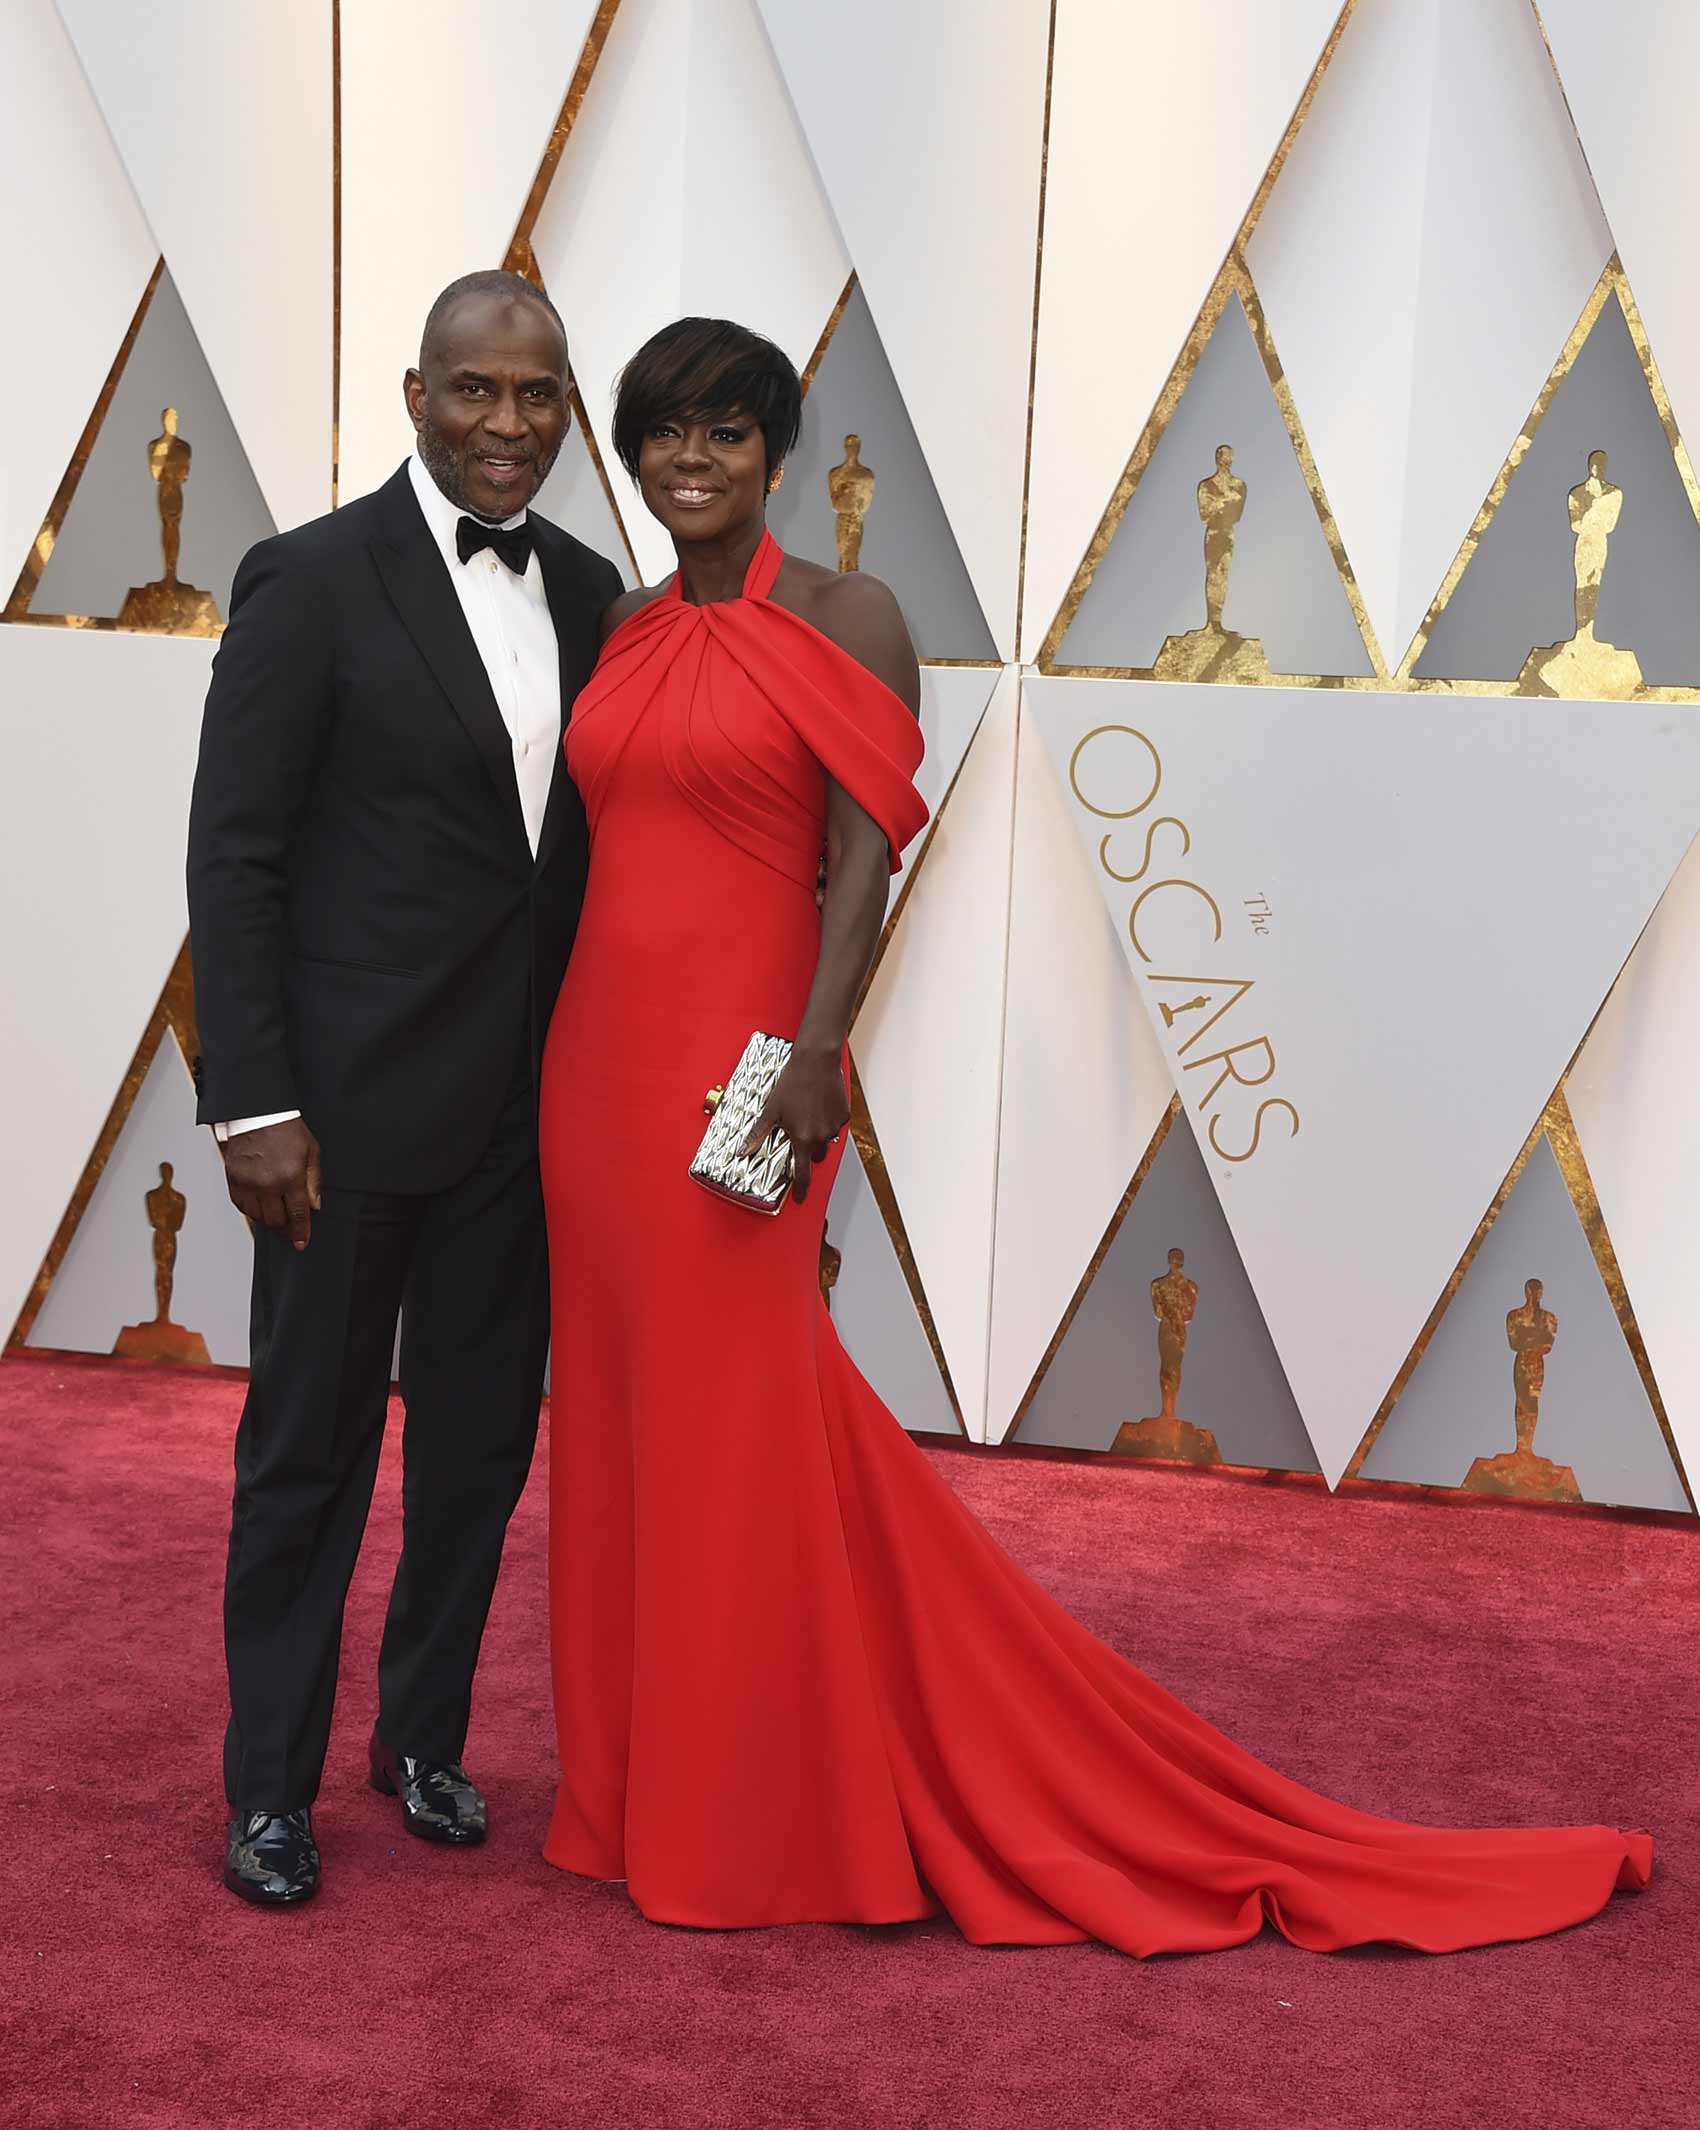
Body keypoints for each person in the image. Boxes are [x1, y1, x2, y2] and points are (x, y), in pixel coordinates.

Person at [537, 315, 1649, 1956]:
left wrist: (815, 1054)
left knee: (733, 1414)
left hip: (746, 1081)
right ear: (632, 454)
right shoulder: (624, 628)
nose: (690, 461)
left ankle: (752, 1805)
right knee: (636, 1423)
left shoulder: (852, 614)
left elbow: (863, 862)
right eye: (663, 434)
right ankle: (634, 1788)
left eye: (725, 432)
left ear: (775, 452)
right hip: (597, 1084)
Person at [187, 270, 622, 1906]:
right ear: (416, 393)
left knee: (480, 1447)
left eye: (537, 394)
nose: (508, 424)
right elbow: (233, 854)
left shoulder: (590, 590)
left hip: (526, 1116)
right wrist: (253, 1100)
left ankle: (422, 1735)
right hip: (340, 1119)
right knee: (307, 1454)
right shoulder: (309, 580)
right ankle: (270, 1790)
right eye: (474, 392)